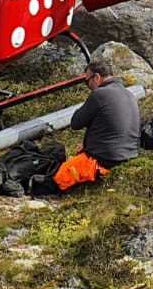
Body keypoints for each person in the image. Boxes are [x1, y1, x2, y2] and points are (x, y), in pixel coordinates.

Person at [53, 57, 141, 191]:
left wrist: (86, 105)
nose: (88, 86)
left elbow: (75, 123)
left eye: (87, 81)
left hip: (106, 159)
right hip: (130, 155)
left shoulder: (100, 94)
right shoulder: (128, 94)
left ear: (97, 77)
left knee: (60, 177)